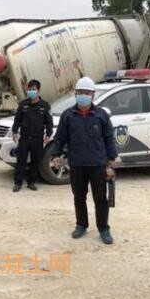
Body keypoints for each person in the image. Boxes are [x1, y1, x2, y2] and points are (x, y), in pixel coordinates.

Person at [51, 77, 117, 245]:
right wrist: (56, 154)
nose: (83, 95)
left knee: (100, 198)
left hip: (98, 164)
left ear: (92, 95)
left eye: (87, 93)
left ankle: (103, 228)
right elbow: (60, 138)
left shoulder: (101, 115)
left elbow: (109, 138)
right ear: (75, 94)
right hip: (77, 164)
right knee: (79, 197)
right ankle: (81, 225)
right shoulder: (68, 115)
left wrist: (111, 159)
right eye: (80, 92)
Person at [11, 79, 53, 192]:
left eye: (33, 89)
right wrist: (14, 131)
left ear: (38, 90)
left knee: (35, 160)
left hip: (37, 138)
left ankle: (31, 182)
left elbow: (49, 122)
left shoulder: (45, 106)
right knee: (21, 160)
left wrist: (48, 134)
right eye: (29, 89)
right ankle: (18, 183)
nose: (31, 91)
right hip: (24, 137)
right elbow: (17, 120)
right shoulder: (23, 104)